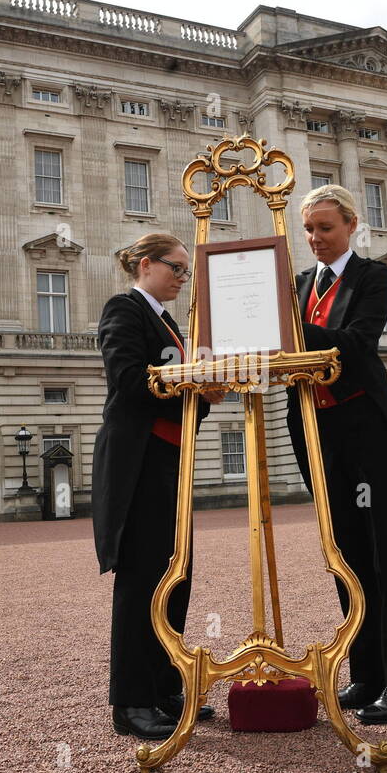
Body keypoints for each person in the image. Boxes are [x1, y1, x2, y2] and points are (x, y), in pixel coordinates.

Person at [285, 184, 387, 725]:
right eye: (309, 230)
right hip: (316, 428)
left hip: (367, 427)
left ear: (350, 225)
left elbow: (356, 341)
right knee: (344, 551)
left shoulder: (373, 275)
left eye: (325, 227)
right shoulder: (297, 284)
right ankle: (366, 674)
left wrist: (287, 328)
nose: (316, 238)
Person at [92, 233, 224, 740]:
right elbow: (128, 378)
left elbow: (186, 398)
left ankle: (166, 687)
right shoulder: (123, 309)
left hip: (172, 457)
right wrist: (193, 379)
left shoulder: (168, 321)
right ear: (146, 265)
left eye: (186, 271)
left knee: (177, 573)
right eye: (177, 268)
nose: (182, 278)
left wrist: (205, 387)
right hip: (140, 462)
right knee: (143, 579)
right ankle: (131, 702)